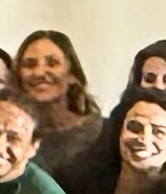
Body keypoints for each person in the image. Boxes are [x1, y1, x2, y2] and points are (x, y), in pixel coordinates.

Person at [14, 29, 103, 162]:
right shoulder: (8, 137)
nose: (39, 73)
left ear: (71, 75)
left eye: (52, 63)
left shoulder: (103, 133)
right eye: (30, 64)